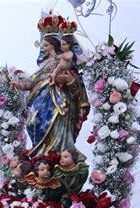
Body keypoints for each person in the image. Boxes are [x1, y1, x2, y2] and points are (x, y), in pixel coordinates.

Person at [10, 16, 90, 159]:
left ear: (54, 45)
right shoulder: (46, 64)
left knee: (52, 124)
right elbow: (34, 82)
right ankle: (41, 156)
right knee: (32, 123)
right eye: (43, 46)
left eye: (46, 45)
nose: (44, 49)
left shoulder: (64, 60)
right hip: (41, 103)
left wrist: (69, 81)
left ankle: (56, 156)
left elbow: (77, 86)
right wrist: (20, 85)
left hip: (59, 103)